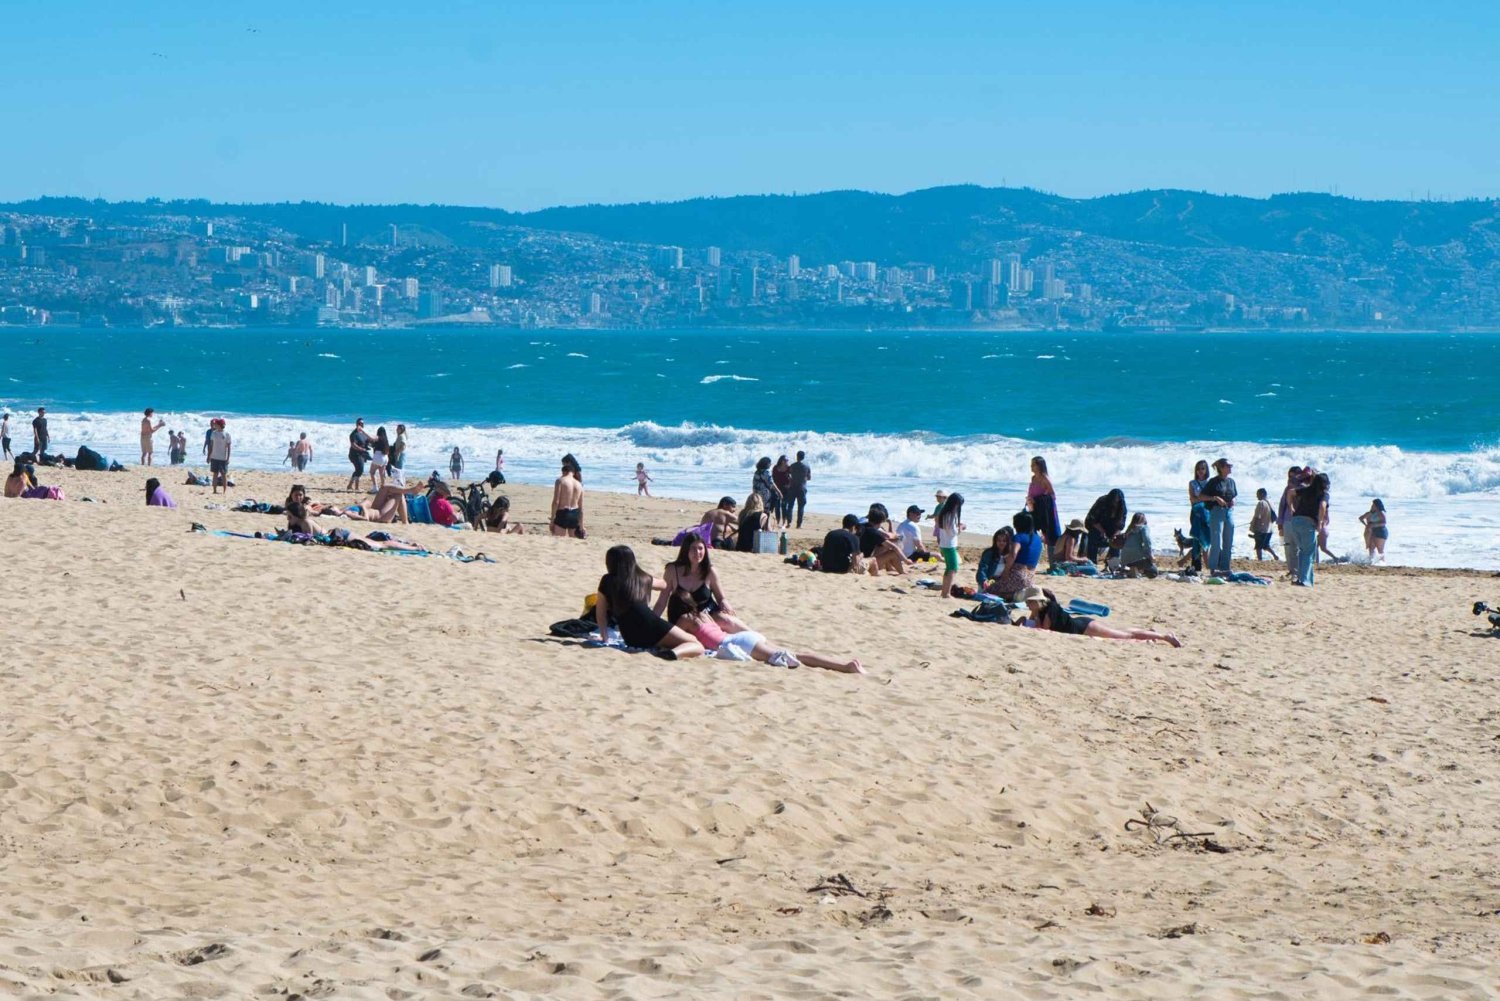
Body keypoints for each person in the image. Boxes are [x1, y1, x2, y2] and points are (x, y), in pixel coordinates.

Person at [669, 589, 864, 673]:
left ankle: (845, 666)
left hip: (737, 644)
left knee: (797, 656)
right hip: (742, 638)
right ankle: (846, 665)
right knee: (795, 654)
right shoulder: (704, 615)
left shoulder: (685, 619)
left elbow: (672, 636)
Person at [595, 545, 704, 659]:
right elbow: (664, 585)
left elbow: (600, 613)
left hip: (630, 638)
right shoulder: (642, 578)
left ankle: (670, 651)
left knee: (674, 641)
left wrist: (604, 637)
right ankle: (673, 654)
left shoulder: (607, 580)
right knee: (696, 644)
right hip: (651, 625)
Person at [1019, 586, 1181, 646]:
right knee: (1123, 632)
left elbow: (1045, 631)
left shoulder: (1051, 609)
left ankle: (1165, 637)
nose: (1026, 605)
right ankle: (1149, 633)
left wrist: (1030, 621)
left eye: (1029, 602)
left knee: (1125, 636)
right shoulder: (1039, 611)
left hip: (1084, 628)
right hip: (1081, 625)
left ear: (1037, 601)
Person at [653, 534, 740, 624]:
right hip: (682, 619)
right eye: (693, 548)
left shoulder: (710, 571)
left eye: (700, 548)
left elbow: (721, 598)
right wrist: (651, 623)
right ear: (686, 550)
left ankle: (753, 635)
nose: (697, 552)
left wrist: (725, 604)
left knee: (728, 621)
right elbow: (661, 602)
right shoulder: (672, 570)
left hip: (707, 614)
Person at [1286, 472, 1329, 586]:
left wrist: (1291, 507)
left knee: (1302, 550)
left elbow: (1290, 492)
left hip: (1295, 521)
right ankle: (1305, 580)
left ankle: (1301, 578)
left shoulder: (1307, 489)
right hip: (1308, 522)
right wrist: (1319, 523)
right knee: (1308, 552)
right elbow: (1322, 506)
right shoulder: (1324, 494)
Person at [992, 510, 1044, 597]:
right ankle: (1021, 593)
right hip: (1030, 577)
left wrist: (1006, 571)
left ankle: (1015, 595)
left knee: (990, 589)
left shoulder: (1018, 537)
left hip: (1018, 575)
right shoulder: (1038, 539)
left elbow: (1013, 554)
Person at [1200, 457, 1238, 575]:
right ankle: (1213, 567)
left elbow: (1235, 495)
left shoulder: (1231, 481)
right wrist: (1215, 498)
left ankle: (1225, 567)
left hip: (1229, 512)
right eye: (1228, 466)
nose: (1230, 468)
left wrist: (1234, 501)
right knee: (1216, 541)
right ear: (1221, 468)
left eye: (1230, 466)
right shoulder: (1213, 482)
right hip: (1216, 511)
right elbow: (1201, 496)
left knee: (1228, 541)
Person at [1025, 456, 1063, 562]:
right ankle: (1032, 557)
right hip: (1033, 508)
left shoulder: (1044, 478)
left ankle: (1053, 562)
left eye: (1033, 465)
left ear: (1039, 466)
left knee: (1049, 534)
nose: (1031, 467)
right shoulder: (1033, 478)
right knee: (1030, 530)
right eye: (1031, 464)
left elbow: (1052, 495)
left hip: (1045, 510)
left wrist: (1038, 500)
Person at [859, 508, 911, 575]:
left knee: (883, 547)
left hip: (856, 559)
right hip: (865, 562)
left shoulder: (861, 526)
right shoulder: (874, 532)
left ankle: (889, 567)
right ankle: (902, 572)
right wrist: (906, 560)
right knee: (893, 553)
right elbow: (894, 547)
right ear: (880, 522)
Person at [933, 492, 965, 598]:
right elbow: (953, 532)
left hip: (944, 544)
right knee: (953, 569)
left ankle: (944, 592)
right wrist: (961, 527)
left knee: (948, 569)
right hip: (949, 545)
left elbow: (947, 529)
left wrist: (957, 527)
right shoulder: (951, 515)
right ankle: (946, 593)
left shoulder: (944, 512)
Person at [1083, 489, 1126, 565]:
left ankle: (1113, 563)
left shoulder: (1122, 506)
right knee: (1094, 536)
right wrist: (1102, 531)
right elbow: (1093, 519)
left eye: (1117, 501)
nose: (1115, 503)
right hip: (1096, 526)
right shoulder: (1102, 502)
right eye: (1114, 501)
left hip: (1112, 528)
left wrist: (1115, 535)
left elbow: (1121, 525)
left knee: (1118, 539)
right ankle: (1092, 561)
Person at [550, 453, 585, 538]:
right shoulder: (579, 484)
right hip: (574, 514)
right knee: (572, 541)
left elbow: (556, 502)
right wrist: (581, 525)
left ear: (564, 471)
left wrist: (552, 519)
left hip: (563, 513)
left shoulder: (560, 481)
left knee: (559, 540)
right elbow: (581, 508)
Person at [976, 527, 1016, 593]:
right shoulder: (989, 552)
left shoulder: (1010, 554)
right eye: (999, 541)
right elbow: (982, 568)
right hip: (989, 579)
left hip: (1002, 581)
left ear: (1008, 542)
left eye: (1004, 541)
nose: (1001, 543)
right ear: (995, 541)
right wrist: (984, 580)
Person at [1117, 512, 1157, 577]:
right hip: (1136, 558)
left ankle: (1132, 570)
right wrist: (1151, 555)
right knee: (1154, 572)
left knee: (1137, 554)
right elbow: (1147, 541)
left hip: (1124, 559)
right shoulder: (1144, 527)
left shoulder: (1129, 529)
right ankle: (1136, 569)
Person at [1249, 487, 1280, 560]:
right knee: (1266, 545)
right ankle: (1275, 556)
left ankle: (1260, 560)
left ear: (1262, 494)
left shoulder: (1261, 503)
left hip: (1261, 529)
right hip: (1269, 529)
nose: (1257, 496)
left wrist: (1254, 527)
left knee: (1258, 547)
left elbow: (1257, 517)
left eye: (1258, 494)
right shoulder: (1270, 503)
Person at [206, 419, 232, 494]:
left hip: (223, 458)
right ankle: (214, 490)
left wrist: (228, 458)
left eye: (216, 424)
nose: (214, 425)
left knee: (224, 474)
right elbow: (211, 445)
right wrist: (209, 456)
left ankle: (224, 491)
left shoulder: (227, 434)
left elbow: (229, 447)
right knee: (215, 474)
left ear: (219, 425)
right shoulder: (213, 433)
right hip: (214, 457)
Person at [787, 450, 811, 528]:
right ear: (803, 457)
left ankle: (789, 523)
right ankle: (799, 524)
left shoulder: (792, 466)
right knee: (801, 507)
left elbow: (788, 475)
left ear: (796, 456)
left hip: (793, 487)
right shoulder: (807, 466)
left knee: (790, 505)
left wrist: (792, 479)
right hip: (802, 488)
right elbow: (809, 477)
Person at [346, 418, 372, 492]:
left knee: (358, 470)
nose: (361, 425)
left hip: (362, 454)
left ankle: (350, 485)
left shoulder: (363, 433)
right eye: (360, 423)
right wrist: (361, 449)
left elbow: (367, 442)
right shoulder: (353, 434)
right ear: (356, 424)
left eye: (362, 424)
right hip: (354, 454)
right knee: (360, 470)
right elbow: (353, 445)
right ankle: (355, 487)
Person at [1360, 498, 1388, 563]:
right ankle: (1371, 561)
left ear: (1377, 506)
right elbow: (1361, 518)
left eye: (1373, 505)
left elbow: (1384, 522)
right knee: (1371, 547)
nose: (1372, 506)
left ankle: (1383, 563)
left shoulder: (1381, 513)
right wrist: (1366, 525)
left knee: (1380, 549)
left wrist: (1373, 525)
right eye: (1372, 505)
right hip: (1372, 531)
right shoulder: (1370, 513)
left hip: (1381, 531)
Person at [771, 455, 792, 526]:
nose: (787, 462)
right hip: (777, 489)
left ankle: (784, 522)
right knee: (777, 506)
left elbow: (794, 478)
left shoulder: (789, 468)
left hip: (786, 490)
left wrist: (789, 485)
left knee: (784, 505)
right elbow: (772, 478)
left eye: (787, 460)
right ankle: (777, 521)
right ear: (781, 460)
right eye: (786, 460)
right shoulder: (775, 468)